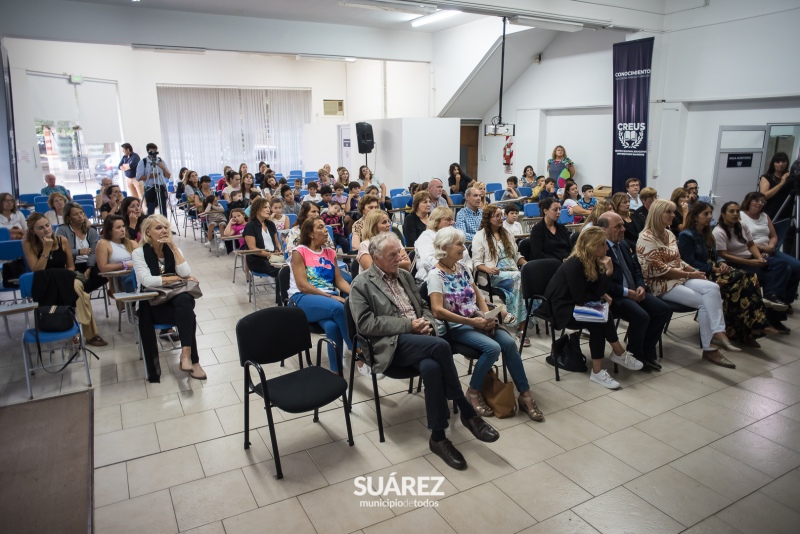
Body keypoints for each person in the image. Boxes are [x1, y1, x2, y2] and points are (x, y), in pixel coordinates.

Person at [349, 232, 500, 470]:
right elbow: (365, 325)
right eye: (392, 255)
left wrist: (427, 324)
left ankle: (438, 438)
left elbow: (424, 307)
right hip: (390, 344)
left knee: (431, 367)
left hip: (420, 338)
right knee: (441, 346)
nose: (399, 258)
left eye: (399, 252)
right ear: (375, 258)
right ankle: (467, 411)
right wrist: (408, 325)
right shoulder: (361, 284)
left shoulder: (405, 276)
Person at [428, 227, 542, 421]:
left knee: (508, 344)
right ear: (445, 247)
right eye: (459, 244)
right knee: (492, 348)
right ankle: (472, 392)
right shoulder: (435, 276)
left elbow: (478, 296)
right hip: (454, 327)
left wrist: (486, 315)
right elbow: (438, 311)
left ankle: (525, 395)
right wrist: (473, 321)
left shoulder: (462, 268)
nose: (464, 248)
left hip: (475, 319)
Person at [637, 199, 739, 368]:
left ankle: (718, 333)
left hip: (679, 277)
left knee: (712, 287)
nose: (673, 215)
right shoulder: (646, 237)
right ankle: (710, 349)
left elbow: (678, 260)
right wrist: (690, 274)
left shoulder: (669, 234)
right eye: (668, 212)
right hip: (660, 284)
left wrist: (695, 272)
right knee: (704, 302)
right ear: (657, 214)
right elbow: (658, 270)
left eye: (673, 211)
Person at [545, 227, 643, 389]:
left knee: (601, 316)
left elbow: (596, 290)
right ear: (591, 246)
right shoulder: (575, 263)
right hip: (561, 308)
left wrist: (606, 279)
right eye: (603, 244)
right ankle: (617, 352)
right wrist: (607, 278)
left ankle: (600, 370)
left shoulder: (592, 261)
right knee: (600, 317)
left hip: (575, 304)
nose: (606, 248)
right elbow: (580, 297)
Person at [679, 202, 777, 348]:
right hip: (701, 275)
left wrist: (722, 262)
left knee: (748, 280)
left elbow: (717, 255)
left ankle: (747, 330)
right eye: (705, 214)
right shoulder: (686, 235)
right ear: (695, 217)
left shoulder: (707, 233)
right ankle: (752, 328)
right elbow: (688, 262)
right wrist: (714, 268)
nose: (709, 217)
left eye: (710, 213)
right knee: (742, 280)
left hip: (715, 271)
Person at [133, 215, 204, 381]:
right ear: (148, 232)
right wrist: (177, 279)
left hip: (173, 299)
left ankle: (185, 355)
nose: (164, 230)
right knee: (188, 316)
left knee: (185, 301)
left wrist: (172, 246)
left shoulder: (173, 249)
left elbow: (186, 272)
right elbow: (147, 281)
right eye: (158, 228)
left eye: (165, 227)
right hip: (151, 304)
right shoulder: (139, 253)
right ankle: (193, 361)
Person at [597, 213, 671, 370]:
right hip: (615, 297)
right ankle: (635, 355)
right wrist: (626, 292)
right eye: (618, 226)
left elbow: (635, 268)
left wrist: (640, 286)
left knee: (663, 310)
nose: (623, 229)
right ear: (604, 230)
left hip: (634, 291)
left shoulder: (623, 244)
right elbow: (602, 283)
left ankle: (646, 349)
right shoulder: (599, 249)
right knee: (641, 316)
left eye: (623, 225)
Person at [22, 213, 107, 346]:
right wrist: (46, 249)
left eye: (47, 225)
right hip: (44, 281)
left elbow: (71, 266)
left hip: (65, 276)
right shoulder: (28, 243)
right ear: (32, 231)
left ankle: (81, 332)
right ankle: (89, 334)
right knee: (82, 296)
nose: (46, 230)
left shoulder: (62, 240)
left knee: (76, 288)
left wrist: (62, 278)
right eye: (40, 228)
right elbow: (37, 270)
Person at [713, 201, 795, 330]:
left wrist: (758, 258)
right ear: (723, 214)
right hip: (736, 263)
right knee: (771, 277)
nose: (735, 214)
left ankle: (771, 299)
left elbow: (751, 245)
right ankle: (767, 316)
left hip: (750, 258)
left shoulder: (742, 226)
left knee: (781, 265)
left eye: (737, 211)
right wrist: (751, 262)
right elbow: (723, 255)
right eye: (731, 211)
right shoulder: (719, 231)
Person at [288, 217, 352, 373]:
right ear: (310, 233)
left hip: (325, 302)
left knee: (332, 326)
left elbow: (339, 281)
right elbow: (303, 286)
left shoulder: (330, 253)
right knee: (339, 307)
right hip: (301, 299)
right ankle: (357, 350)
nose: (326, 230)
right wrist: (330, 297)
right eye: (321, 227)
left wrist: (357, 293)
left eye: (326, 227)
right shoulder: (300, 252)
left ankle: (335, 372)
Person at [471, 205, 528, 346]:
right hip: (494, 275)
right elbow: (476, 263)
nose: (501, 218)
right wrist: (489, 269)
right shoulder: (480, 236)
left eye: (501, 215)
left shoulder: (507, 233)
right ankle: (521, 329)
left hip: (513, 271)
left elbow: (517, 256)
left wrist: (526, 264)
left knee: (525, 277)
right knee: (519, 278)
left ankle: (519, 325)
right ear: (488, 218)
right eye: (497, 216)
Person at [741, 190, 800, 313]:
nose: (760, 203)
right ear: (748, 201)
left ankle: (787, 300)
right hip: (753, 251)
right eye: (756, 201)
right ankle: (776, 298)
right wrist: (762, 249)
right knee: (786, 269)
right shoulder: (741, 216)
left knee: (797, 266)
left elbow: (773, 236)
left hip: (769, 249)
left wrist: (770, 247)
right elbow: (742, 240)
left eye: (763, 201)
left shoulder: (764, 216)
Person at [56, 202, 107, 293]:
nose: (80, 216)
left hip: (90, 263)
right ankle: (81, 293)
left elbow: (94, 252)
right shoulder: (62, 230)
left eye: (81, 213)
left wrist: (89, 268)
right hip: (71, 264)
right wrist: (79, 252)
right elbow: (60, 251)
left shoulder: (91, 230)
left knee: (104, 274)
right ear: (68, 218)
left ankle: (81, 292)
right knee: (71, 278)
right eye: (75, 214)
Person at [415, 206, 472, 285]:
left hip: (459, 278)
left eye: (452, 219)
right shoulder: (426, 236)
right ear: (436, 221)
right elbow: (428, 262)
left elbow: (467, 258)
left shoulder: (455, 235)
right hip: (431, 281)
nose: (453, 222)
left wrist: (466, 271)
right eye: (448, 220)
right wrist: (452, 272)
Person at [96, 215, 138, 304]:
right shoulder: (104, 243)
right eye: (118, 227)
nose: (123, 229)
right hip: (123, 276)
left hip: (139, 272)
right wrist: (124, 265)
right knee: (132, 280)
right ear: (110, 231)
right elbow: (103, 268)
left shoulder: (132, 243)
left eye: (123, 226)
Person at [242, 196, 283, 280]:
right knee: (281, 271)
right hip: (258, 259)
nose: (268, 209)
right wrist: (270, 255)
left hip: (272, 256)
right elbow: (253, 249)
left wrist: (278, 250)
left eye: (269, 207)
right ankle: (281, 290)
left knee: (290, 266)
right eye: (265, 207)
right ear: (257, 209)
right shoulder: (250, 226)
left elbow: (277, 243)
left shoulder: (270, 224)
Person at [523, 197, 571, 261]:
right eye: (555, 210)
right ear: (545, 211)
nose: (559, 212)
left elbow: (570, 248)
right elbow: (538, 254)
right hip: (549, 264)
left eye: (560, 209)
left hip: (566, 263)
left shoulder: (562, 228)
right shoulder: (537, 230)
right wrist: (558, 261)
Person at [135, 143, 171, 216]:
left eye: (155, 150)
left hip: (161, 186)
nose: (154, 153)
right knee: (151, 209)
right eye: (152, 151)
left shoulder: (160, 161)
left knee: (163, 208)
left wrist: (162, 167)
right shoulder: (143, 162)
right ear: (148, 151)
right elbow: (138, 177)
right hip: (150, 187)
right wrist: (152, 175)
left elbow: (168, 175)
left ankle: (164, 223)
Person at [759, 152, 793, 221]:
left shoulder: (791, 177)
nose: (781, 164)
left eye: (783, 162)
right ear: (773, 163)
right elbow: (764, 196)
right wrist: (781, 183)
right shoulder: (767, 177)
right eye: (777, 162)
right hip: (771, 214)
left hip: (788, 215)